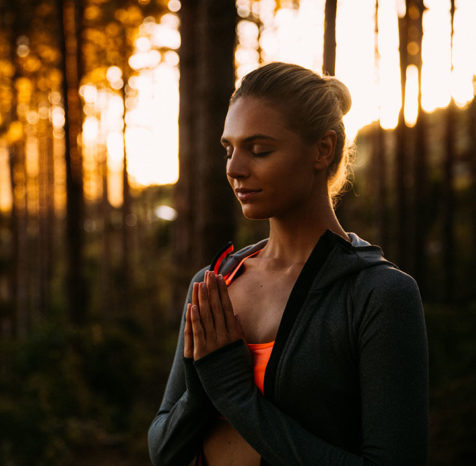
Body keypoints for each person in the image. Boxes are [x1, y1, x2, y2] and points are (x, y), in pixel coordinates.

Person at [147, 62, 428, 466]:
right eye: (229, 149)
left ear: (322, 149)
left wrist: (236, 394)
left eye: (259, 150)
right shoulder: (216, 284)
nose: (234, 168)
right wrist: (201, 386)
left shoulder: (378, 295)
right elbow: (163, 449)